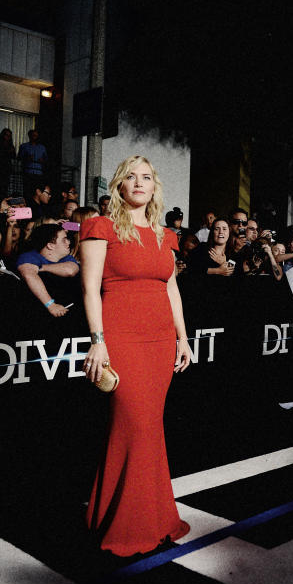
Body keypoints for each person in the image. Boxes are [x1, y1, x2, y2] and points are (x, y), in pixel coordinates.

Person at [80, 154, 192, 556]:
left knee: (149, 429)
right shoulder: (100, 227)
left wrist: (182, 338)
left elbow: (171, 289)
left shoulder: (166, 236)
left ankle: (155, 517)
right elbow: (90, 288)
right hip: (122, 338)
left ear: (154, 186)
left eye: (147, 177)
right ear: (119, 185)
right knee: (133, 425)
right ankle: (126, 525)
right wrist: (98, 339)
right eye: (131, 176)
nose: (139, 182)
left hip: (161, 341)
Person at [16, 223, 79, 316]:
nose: (68, 242)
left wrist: (41, 267)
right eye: (64, 240)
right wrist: (51, 305)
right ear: (50, 245)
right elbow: (29, 274)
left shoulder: (66, 257)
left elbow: (70, 270)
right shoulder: (29, 256)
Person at [0, 128, 16, 200]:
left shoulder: (10, 144)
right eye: (6, 135)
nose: (7, 137)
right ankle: (0, 204)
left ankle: (3, 202)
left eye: (9, 136)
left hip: (6, 169)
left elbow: (14, 155)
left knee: (4, 188)